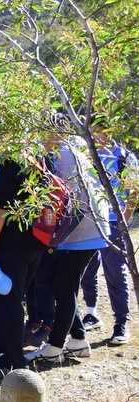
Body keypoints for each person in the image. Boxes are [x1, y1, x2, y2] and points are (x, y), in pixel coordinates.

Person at [26, 132, 109, 364]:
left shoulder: (66, 152)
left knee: (63, 289)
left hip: (82, 232)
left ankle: (54, 348)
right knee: (59, 286)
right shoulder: (72, 146)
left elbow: (65, 195)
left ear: (53, 131)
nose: (38, 139)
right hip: (78, 232)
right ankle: (79, 341)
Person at [0, 154, 48, 375]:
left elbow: (0, 210)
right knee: (7, 298)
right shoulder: (40, 158)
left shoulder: (10, 162)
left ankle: (15, 361)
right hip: (36, 241)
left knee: (8, 301)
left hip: (13, 244)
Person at [79, 117, 137, 345]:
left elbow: (133, 192)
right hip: (90, 221)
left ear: (110, 131)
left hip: (114, 223)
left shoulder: (123, 157)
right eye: (92, 131)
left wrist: (124, 220)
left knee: (115, 272)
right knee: (87, 269)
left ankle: (121, 323)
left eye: (99, 131)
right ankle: (91, 313)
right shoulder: (86, 156)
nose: (95, 136)